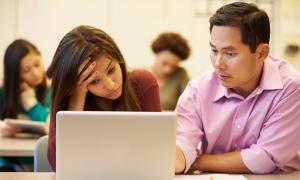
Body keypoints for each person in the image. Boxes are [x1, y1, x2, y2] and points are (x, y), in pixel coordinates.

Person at [175, 2, 300, 174]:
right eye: (214, 51)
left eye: (230, 54)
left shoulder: (291, 87)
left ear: (261, 53)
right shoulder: (198, 90)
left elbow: (265, 158)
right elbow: (182, 143)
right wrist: (178, 157)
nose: (218, 64)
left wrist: (196, 161)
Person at [46, 25, 161, 171]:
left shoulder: (143, 82)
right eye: (94, 81)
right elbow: (58, 164)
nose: (111, 85)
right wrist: (77, 99)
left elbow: (158, 152)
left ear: (118, 58)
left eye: (111, 70)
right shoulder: (71, 96)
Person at [0, 39, 50, 171]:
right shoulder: (4, 93)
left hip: (43, 160)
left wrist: (32, 105)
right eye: (27, 70)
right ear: (15, 75)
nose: (35, 73)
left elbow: (54, 126)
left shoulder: (53, 91)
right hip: (10, 162)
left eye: (37, 64)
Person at [149, 32, 190, 110]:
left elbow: (190, 102)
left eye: (174, 67)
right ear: (156, 54)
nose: (168, 70)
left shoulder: (180, 74)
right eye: (165, 63)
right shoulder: (139, 75)